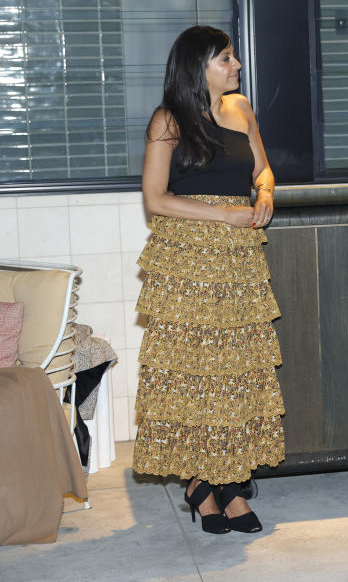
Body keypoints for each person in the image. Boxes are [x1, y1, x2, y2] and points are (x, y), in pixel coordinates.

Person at [133, 26, 285, 533]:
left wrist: (263, 197)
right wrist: (224, 215)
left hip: (239, 261)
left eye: (235, 57)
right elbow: (155, 198)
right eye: (226, 58)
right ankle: (201, 483)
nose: (236, 65)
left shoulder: (240, 109)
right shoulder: (168, 120)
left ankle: (232, 484)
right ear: (198, 65)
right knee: (196, 374)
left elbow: (262, 171)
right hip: (188, 261)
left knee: (236, 374)